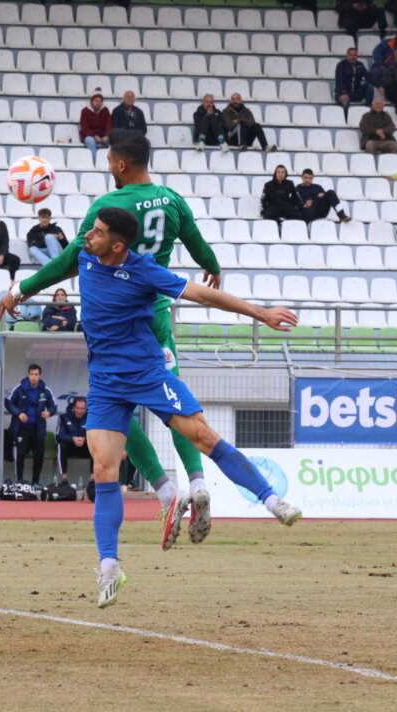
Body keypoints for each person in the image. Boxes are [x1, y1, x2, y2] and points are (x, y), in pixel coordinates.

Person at [0, 133, 225, 546]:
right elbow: (198, 247)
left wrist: (23, 288)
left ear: (120, 165)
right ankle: (197, 480)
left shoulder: (107, 209)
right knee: (174, 403)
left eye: (108, 160)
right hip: (157, 317)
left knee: (112, 411)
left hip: (115, 322)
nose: (106, 166)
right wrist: (213, 266)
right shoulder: (172, 199)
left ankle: (165, 491)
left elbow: (71, 261)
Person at [70, 209, 302, 606]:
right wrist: (18, 290)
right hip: (106, 383)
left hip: (148, 373)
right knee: (103, 467)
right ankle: (110, 568)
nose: (88, 235)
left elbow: (204, 294)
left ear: (119, 245)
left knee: (203, 436)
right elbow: (53, 270)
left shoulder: (143, 270)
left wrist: (261, 313)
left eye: (98, 232)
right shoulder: (83, 255)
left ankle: (271, 500)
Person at [4, 364, 57, 489]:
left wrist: (49, 412)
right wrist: (19, 413)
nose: (34, 377)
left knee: (38, 456)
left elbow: (54, 406)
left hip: (38, 428)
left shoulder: (45, 390)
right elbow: (8, 402)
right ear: (28, 375)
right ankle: (19, 481)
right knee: (20, 454)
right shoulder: (19, 388)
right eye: (32, 374)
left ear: (40, 376)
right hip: (22, 428)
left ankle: (35, 482)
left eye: (36, 375)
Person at [55, 396, 89, 484]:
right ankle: (64, 479)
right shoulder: (64, 417)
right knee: (60, 445)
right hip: (70, 447)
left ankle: (93, 479)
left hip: (85, 448)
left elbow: (96, 435)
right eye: (77, 408)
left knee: (97, 445)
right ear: (73, 407)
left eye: (82, 408)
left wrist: (85, 439)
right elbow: (59, 435)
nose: (80, 411)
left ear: (86, 408)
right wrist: (72, 438)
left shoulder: (91, 417)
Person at [335, 48, 374, 112]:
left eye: (355, 55)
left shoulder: (360, 65)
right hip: (342, 93)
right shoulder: (341, 65)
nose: (353, 57)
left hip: (356, 93)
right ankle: (345, 119)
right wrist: (343, 93)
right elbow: (339, 81)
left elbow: (368, 77)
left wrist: (379, 86)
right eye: (350, 55)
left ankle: (368, 111)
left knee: (369, 86)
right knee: (344, 101)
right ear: (347, 56)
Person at [80, 92, 113, 160]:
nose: (98, 103)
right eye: (96, 101)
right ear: (92, 101)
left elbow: (109, 125)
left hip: (103, 135)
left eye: (100, 101)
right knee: (90, 141)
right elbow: (84, 127)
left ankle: (109, 161)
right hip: (90, 136)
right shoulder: (85, 111)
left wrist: (107, 135)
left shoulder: (105, 110)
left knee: (114, 140)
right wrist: (94, 136)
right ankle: (95, 161)